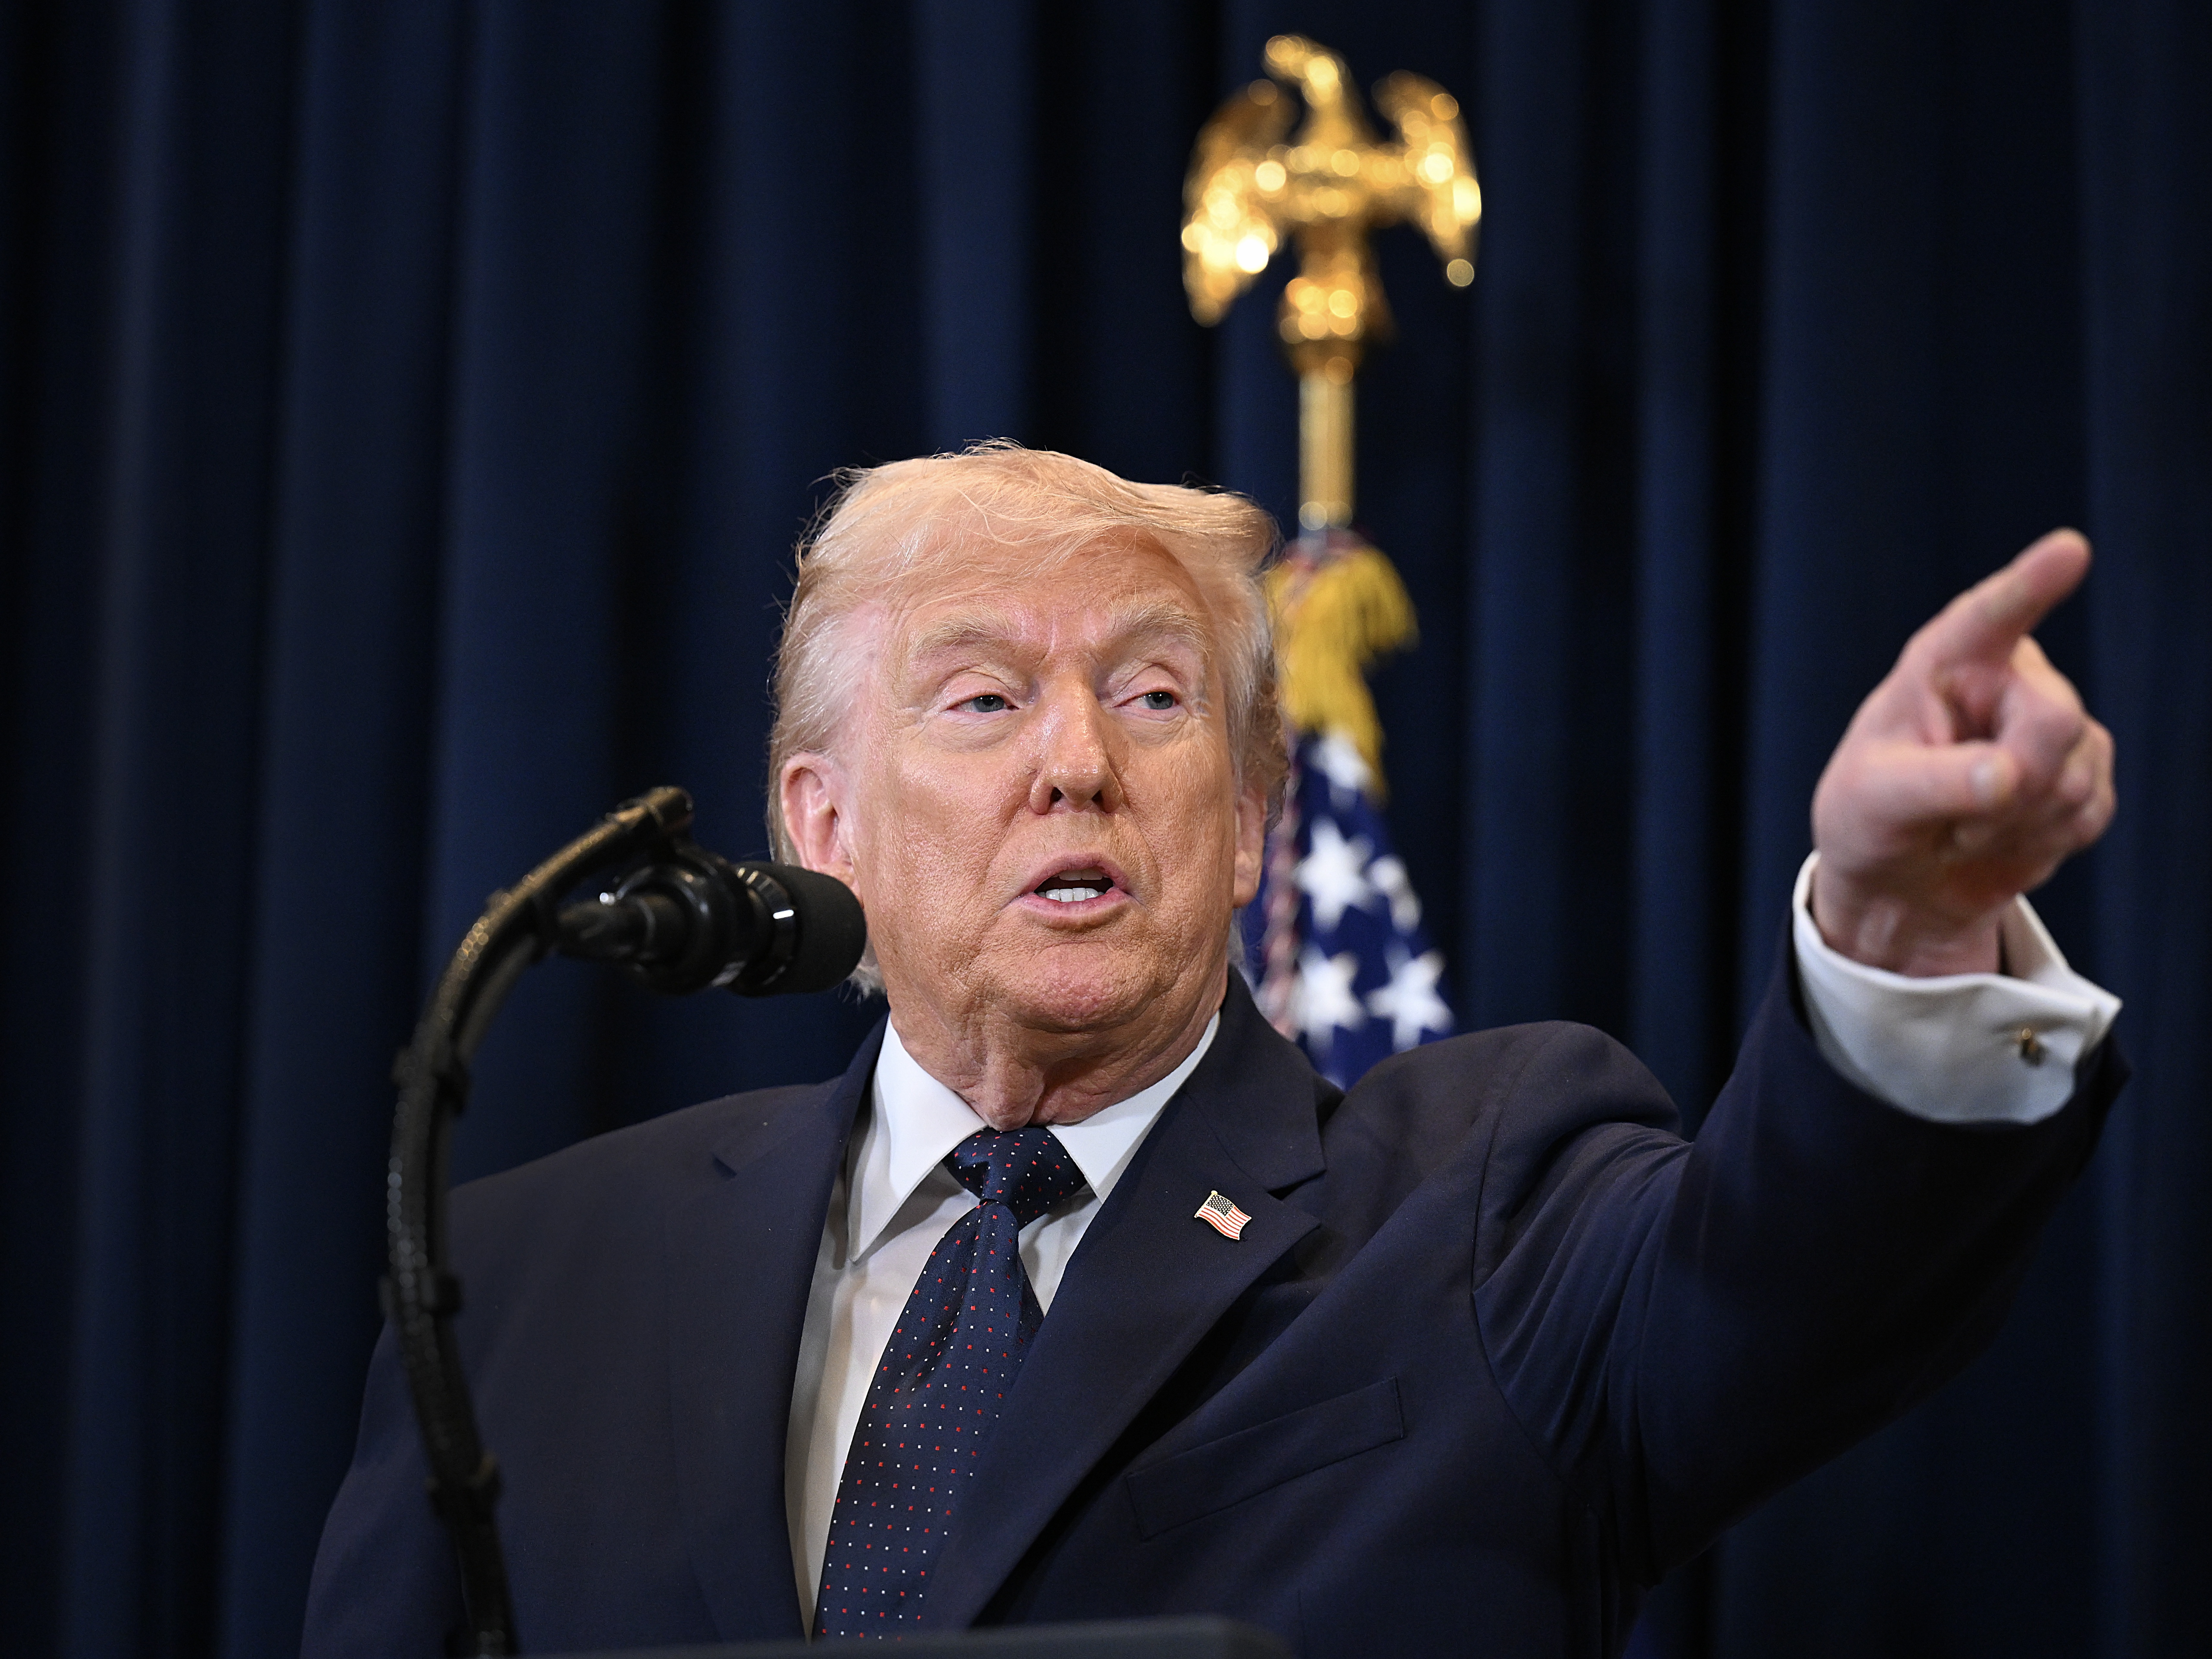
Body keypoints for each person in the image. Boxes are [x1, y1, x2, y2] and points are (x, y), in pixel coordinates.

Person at [305, 445, 2123, 1658]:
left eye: (1154, 695)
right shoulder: (532, 1276)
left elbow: (1787, 1281)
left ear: (1248, 823)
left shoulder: (1484, 1210)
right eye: (984, 697)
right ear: (820, 824)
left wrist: (1899, 940)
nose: (1078, 761)